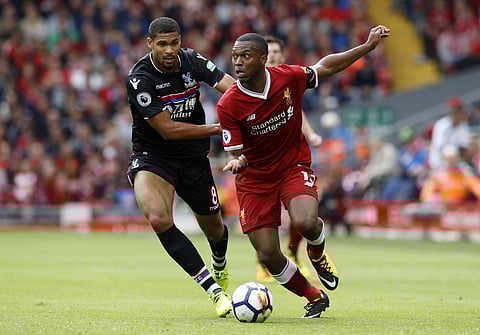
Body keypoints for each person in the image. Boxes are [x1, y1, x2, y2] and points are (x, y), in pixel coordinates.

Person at [217, 25, 390, 318]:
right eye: (235, 56)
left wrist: (366, 47)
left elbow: (326, 66)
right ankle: (313, 296)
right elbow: (234, 149)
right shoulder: (228, 103)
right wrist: (237, 159)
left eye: (245, 56)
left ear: (262, 59)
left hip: (291, 165)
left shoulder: (288, 76)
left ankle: (317, 252)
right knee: (268, 254)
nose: (237, 62)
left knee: (307, 222)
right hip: (255, 178)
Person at [125, 17, 235, 318]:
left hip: (193, 158)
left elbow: (231, 88)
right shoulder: (140, 79)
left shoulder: (191, 60)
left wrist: (250, 108)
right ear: (150, 44)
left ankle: (220, 263)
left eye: (174, 42)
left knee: (215, 230)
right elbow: (168, 130)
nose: (170, 50)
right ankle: (213, 291)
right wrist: (220, 128)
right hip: (153, 156)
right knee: (158, 217)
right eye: (162, 44)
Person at [255, 35, 321, 282]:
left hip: (291, 160)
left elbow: (296, 113)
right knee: (263, 216)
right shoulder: (249, 83)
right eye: (268, 52)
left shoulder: (288, 80)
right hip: (261, 163)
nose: (272, 56)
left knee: (303, 210)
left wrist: (311, 134)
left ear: (282, 56)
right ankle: (265, 260)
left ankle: (293, 251)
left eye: (275, 52)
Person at [428, 96, 471, 170]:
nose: (455, 114)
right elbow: (440, 148)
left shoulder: (463, 126)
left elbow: (464, 148)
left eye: (458, 111)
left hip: (457, 163)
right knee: (450, 151)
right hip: (439, 163)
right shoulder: (441, 125)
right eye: (453, 111)